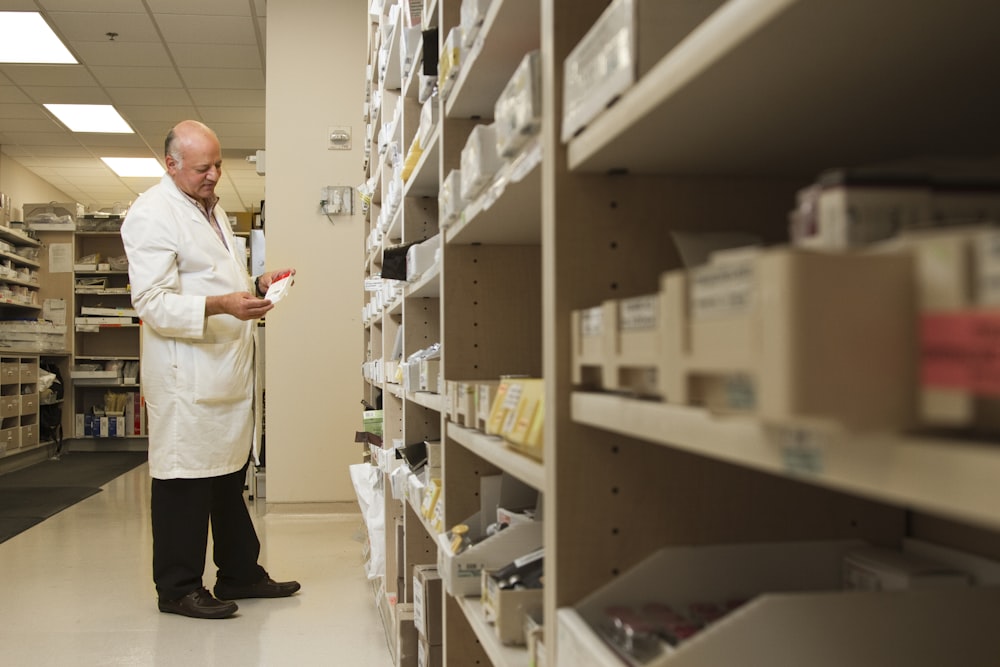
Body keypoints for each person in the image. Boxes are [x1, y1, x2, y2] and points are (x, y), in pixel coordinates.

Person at [121, 120, 299, 619]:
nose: (215, 175)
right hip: (187, 375)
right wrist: (223, 304)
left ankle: (240, 573)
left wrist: (256, 283)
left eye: (218, 164)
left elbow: (214, 275)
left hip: (223, 369)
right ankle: (177, 588)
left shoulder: (208, 207)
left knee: (226, 477)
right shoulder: (152, 214)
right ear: (170, 165)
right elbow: (152, 302)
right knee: (184, 482)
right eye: (203, 167)